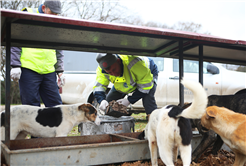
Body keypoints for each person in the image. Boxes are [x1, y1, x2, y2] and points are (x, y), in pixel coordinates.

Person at [10, 0, 65, 107]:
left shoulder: (56, 22)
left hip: (49, 71)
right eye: (52, 12)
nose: (55, 16)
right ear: (44, 8)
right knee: (31, 107)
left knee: (56, 107)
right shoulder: (28, 15)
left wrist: (60, 71)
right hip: (29, 69)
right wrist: (15, 65)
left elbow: (59, 47)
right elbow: (15, 40)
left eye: (56, 14)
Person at [93, 53, 159, 116]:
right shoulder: (102, 70)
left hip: (146, 76)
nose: (113, 73)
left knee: (148, 101)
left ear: (118, 61)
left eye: (114, 69)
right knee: (109, 103)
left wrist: (129, 100)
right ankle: (114, 125)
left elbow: (146, 87)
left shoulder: (134, 63)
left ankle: (154, 124)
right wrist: (101, 100)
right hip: (124, 82)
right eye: (109, 72)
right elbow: (99, 86)